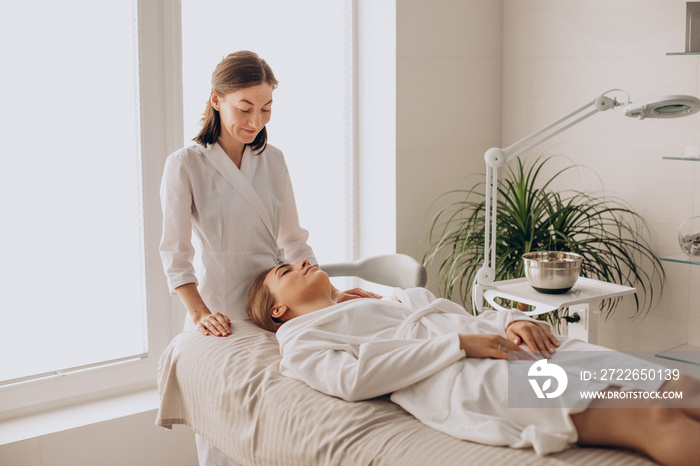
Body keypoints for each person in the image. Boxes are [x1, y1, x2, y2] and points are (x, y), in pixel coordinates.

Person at [247, 259, 700, 466]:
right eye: (285, 272)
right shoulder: (300, 340)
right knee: (652, 413)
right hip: (467, 375)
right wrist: (459, 346)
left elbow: (463, 315)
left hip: (504, 345)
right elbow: (352, 379)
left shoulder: (395, 298)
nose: (302, 261)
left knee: (681, 385)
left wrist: (511, 323)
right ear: (277, 310)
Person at [159, 51, 377, 465]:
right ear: (215, 100)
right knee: (225, 432)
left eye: (266, 109)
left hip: (279, 305)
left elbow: (294, 242)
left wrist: (331, 296)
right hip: (223, 310)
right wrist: (200, 312)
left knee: (284, 415)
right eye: (244, 108)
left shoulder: (272, 159)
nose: (255, 121)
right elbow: (175, 252)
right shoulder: (186, 164)